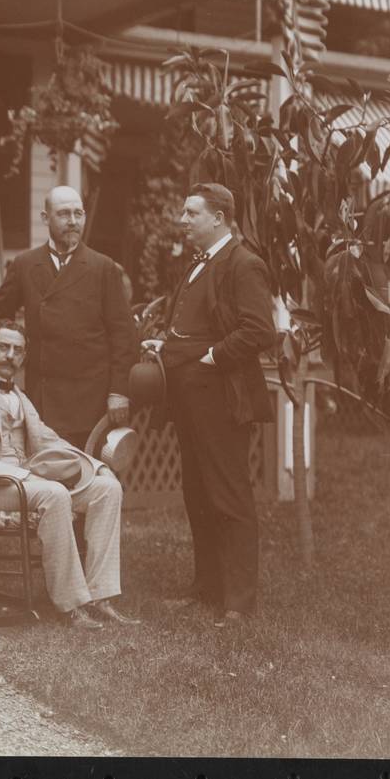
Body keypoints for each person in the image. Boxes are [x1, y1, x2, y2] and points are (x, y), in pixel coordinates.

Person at [0, 321, 140, 631]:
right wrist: (22, 475)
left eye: (18, 350)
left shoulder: (19, 395)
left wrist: (94, 465)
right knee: (54, 494)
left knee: (107, 488)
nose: (10, 355)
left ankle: (101, 595)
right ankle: (71, 605)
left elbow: (47, 440)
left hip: (25, 482)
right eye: (3, 347)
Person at [143, 183, 275, 623]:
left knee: (229, 494)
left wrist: (212, 357)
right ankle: (207, 589)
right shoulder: (200, 263)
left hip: (220, 396)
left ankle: (238, 603)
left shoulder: (243, 263)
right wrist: (165, 344)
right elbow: (195, 324)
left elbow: (258, 330)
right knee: (197, 492)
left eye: (191, 212)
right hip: (188, 396)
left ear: (218, 217)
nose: (183, 220)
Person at [0, 185, 138, 449]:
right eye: (64, 214)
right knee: (49, 479)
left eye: (78, 214)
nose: (73, 221)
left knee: (92, 478)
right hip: (43, 397)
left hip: (91, 397)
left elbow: (124, 335)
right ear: (45, 218)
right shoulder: (25, 264)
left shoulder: (103, 268)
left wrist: (118, 392)